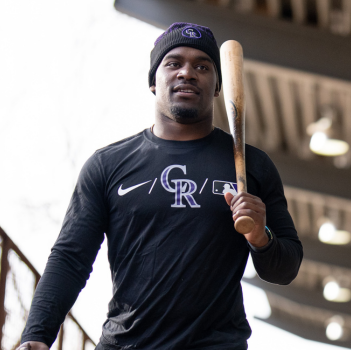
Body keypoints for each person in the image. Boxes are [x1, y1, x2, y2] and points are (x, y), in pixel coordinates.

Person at [18, 22, 303, 350]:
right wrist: (37, 335)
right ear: (153, 81)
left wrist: (260, 237)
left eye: (202, 66)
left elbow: (286, 268)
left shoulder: (251, 165)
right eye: (173, 63)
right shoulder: (108, 165)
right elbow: (71, 258)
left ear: (216, 87)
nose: (187, 72)